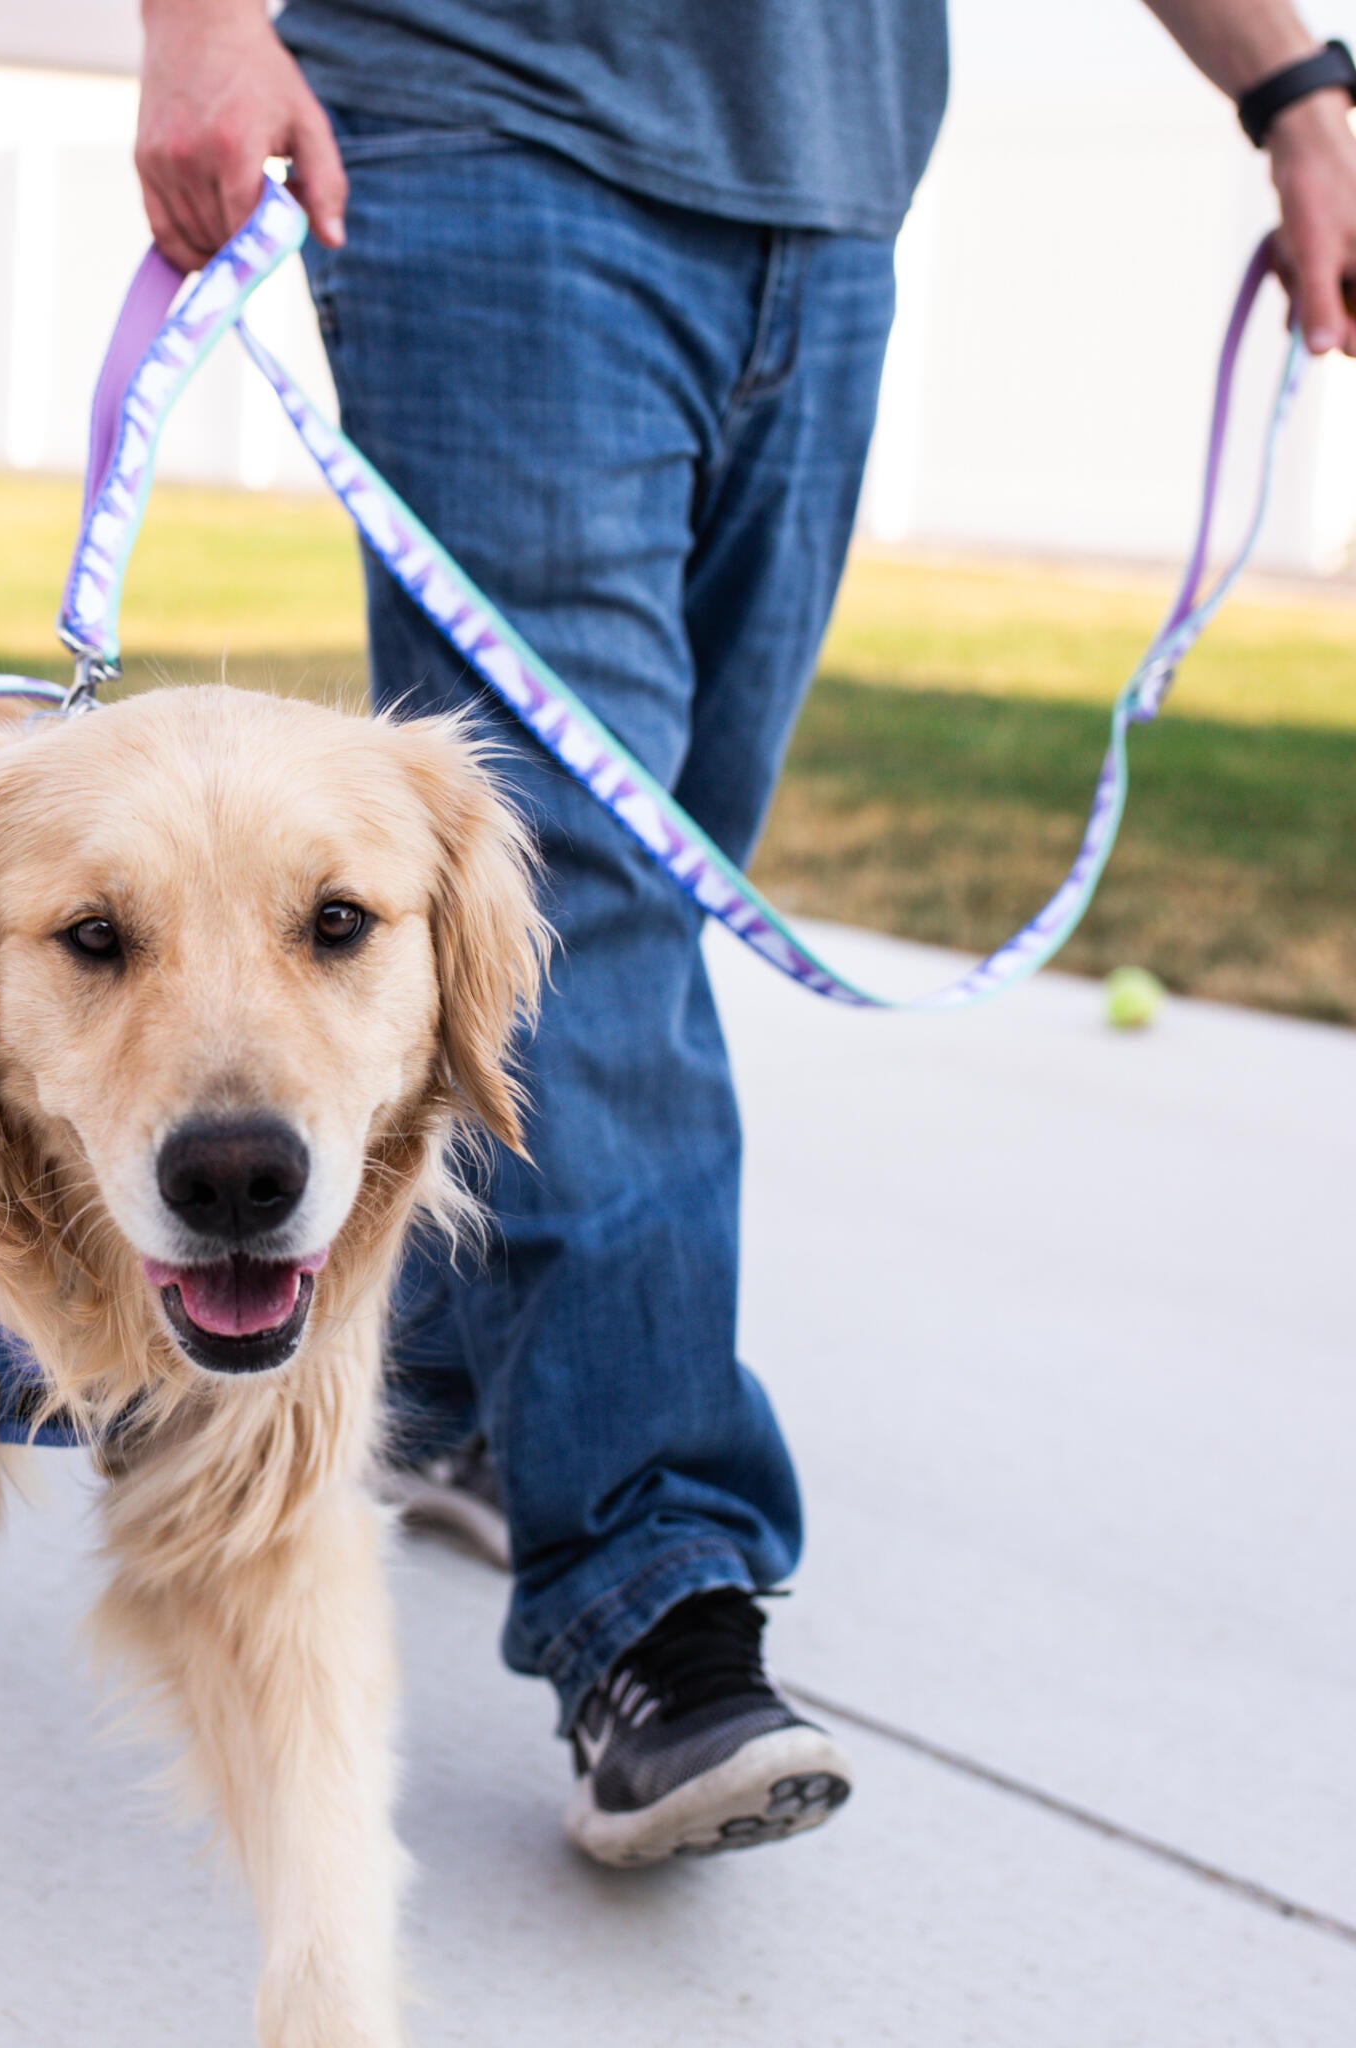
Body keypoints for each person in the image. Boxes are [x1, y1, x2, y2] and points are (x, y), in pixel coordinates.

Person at [133, 0, 1356, 1867]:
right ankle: (654, 1602)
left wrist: (1291, 86)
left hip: (828, 189)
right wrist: (205, 23)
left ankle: (439, 1379)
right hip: (497, 133)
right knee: (593, 885)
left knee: (678, 850)